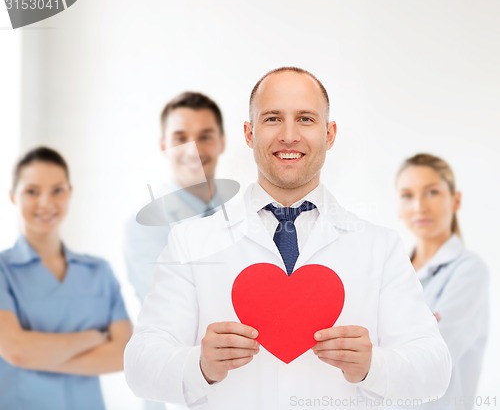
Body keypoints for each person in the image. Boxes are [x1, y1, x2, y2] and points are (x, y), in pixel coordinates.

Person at [124, 67, 451, 410]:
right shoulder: (190, 242)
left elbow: (435, 370)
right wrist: (199, 365)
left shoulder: (379, 247)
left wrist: (374, 366)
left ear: (330, 133)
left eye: (306, 119)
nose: (289, 135)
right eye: (273, 119)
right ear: (249, 133)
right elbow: (140, 366)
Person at [0, 146, 132, 410]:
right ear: (14, 196)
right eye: (32, 191)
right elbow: (16, 350)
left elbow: (125, 355)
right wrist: (93, 338)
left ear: (70, 193)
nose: (46, 202)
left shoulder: (99, 272)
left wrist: (36, 357)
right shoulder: (4, 270)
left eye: (57, 190)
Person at [395, 153, 489, 410]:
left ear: (455, 200)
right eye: (407, 195)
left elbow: (433, 358)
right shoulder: (391, 271)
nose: (419, 206)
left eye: (432, 192)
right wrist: (414, 330)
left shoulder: (469, 271)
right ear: (398, 207)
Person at [124, 91, 226, 302]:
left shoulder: (244, 210)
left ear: (221, 143)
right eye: (180, 138)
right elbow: (166, 307)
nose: (193, 151)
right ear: (164, 146)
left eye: (205, 137)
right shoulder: (145, 226)